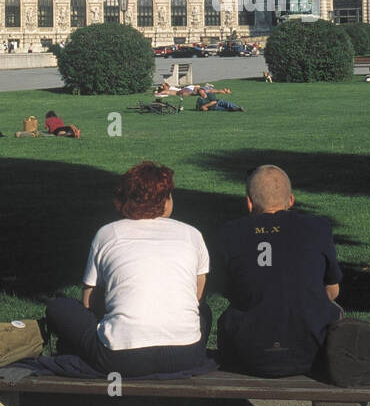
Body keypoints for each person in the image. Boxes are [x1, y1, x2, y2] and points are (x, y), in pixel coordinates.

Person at [42, 161, 212, 376]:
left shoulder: (107, 233)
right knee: (204, 312)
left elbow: (88, 301)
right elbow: (197, 298)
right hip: (188, 355)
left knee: (59, 307)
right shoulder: (192, 234)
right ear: (166, 201)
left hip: (120, 359)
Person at [215, 164, 342, 377]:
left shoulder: (230, 233)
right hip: (313, 352)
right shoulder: (318, 228)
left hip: (248, 355)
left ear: (249, 202)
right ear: (290, 200)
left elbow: (230, 293)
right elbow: (332, 291)